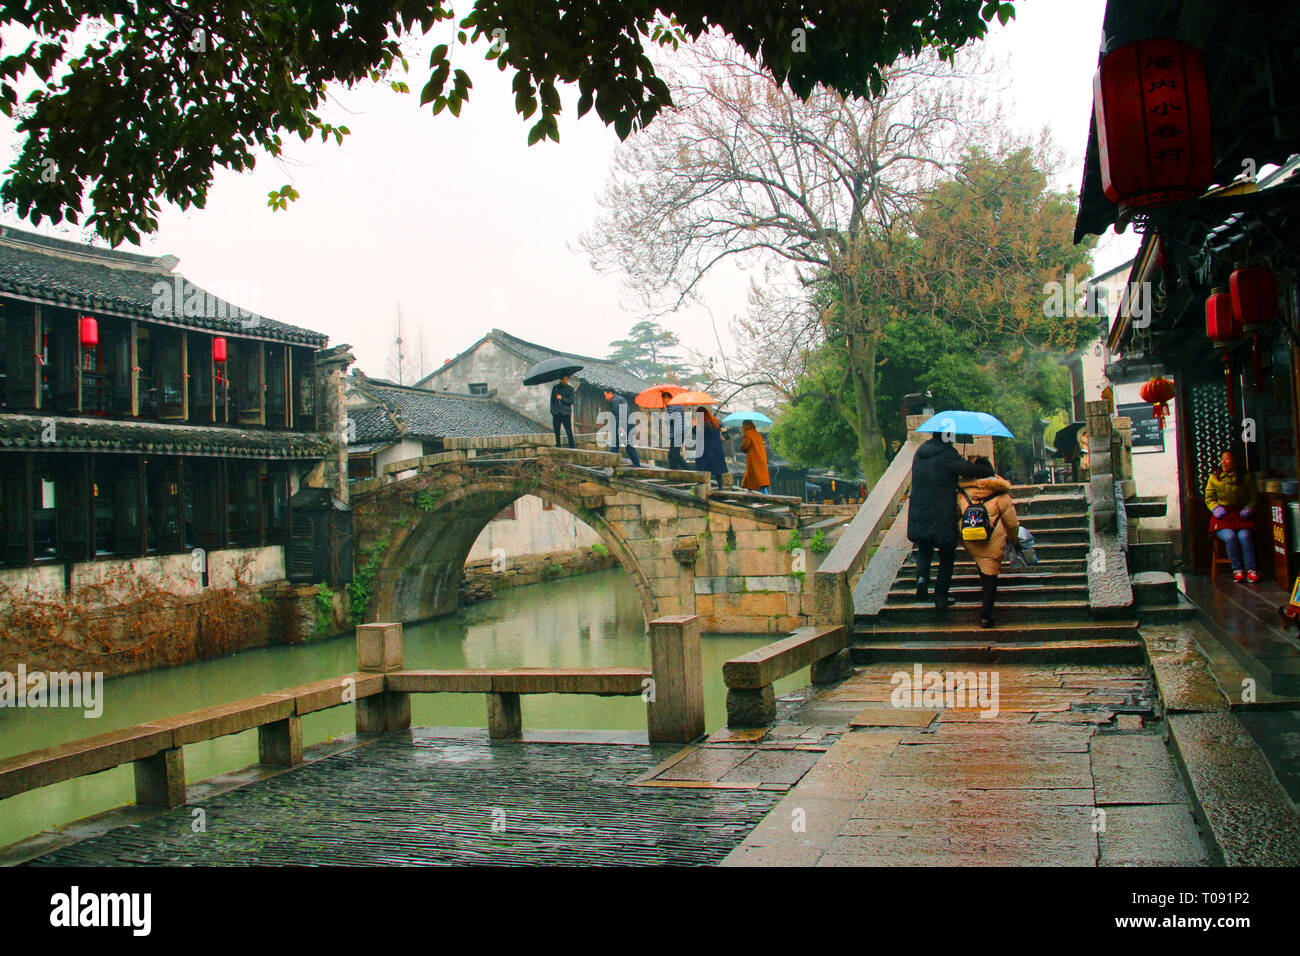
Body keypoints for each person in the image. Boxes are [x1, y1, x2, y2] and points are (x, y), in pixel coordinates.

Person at [907, 430, 994, 609]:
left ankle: (922, 577)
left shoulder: (920, 453)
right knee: (947, 554)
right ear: (947, 436)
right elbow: (969, 469)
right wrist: (986, 468)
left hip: (919, 511)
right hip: (941, 514)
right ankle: (941, 597)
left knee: (923, 546)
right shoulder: (947, 455)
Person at [956, 458, 1019, 629]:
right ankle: (986, 616)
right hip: (993, 540)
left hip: (970, 539)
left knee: (984, 573)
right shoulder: (1001, 495)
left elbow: (956, 515)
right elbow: (1012, 523)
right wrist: (1015, 540)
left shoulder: (962, 494)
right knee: (990, 578)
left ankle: (986, 608)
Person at [1205, 450, 1259, 583]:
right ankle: (1237, 570)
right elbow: (1209, 498)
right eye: (1222, 459)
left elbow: (1253, 497)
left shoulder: (1246, 477)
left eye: (1227, 459)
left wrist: (1249, 508)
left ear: (1235, 461)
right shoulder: (1215, 477)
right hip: (1223, 517)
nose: (1223, 462)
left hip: (1241, 516)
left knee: (1245, 536)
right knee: (1230, 536)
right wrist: (1216, 509)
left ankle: (1251, 570)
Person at [603, 389, 640, 467]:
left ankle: (612, 465)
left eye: (605, 395)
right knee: (629, 447)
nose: (605, 397)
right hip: (627, 425)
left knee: (615, 445)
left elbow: (621, 415)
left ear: (610, 393)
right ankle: (637, 465)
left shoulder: (615, 401)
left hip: (623, 426)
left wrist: (621, 427)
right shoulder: (619, 399)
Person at [694, 406, 727, 487]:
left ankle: (701, 484)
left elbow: (696, 432)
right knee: (718, 469)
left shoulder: (703, 424)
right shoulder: (715, 422)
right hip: (717, 448)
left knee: (703, 466)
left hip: (706, 448)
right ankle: (720, 487)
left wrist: (695, 425)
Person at [740, 420, 770, 493]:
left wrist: (742, 439)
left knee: (755, 478)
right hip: (761, 458)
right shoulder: (757, 434)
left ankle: (764, 496)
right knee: (760, 478)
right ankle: (764, 494)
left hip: (754, 459)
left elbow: (745, 447)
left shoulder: (748, 434)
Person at [663, 393, 688, 469]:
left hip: (677, 433)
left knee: (674, 454)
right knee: (671, 454)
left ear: (667, 398)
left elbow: (671, 420)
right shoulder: (677, 405)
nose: (663, 401)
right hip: (679, 432)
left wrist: (665, 418)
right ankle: (674, 471)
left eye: (664, 399)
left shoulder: (672, 406)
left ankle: (689, 469)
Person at [551, 374, 575, 448]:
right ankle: (558, 446)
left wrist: (561, 398)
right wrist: (552, 411)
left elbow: (571, 401)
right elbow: (552, 400)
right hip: (556, 413)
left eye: (566, 379)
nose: (565, 381)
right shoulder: (555, 388)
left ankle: (572, 447)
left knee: (568, 431)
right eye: (563, 379)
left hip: (565, 413)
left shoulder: (570, 389)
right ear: (560, 379)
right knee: (556, 431)